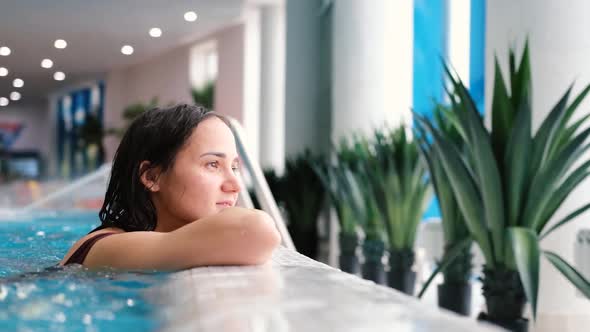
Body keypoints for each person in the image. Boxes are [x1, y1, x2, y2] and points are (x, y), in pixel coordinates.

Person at [60, 104, 281, 270]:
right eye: (213, 164)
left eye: (234, 167)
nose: (235, 185)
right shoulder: (107, 247)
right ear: (152, 176)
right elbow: (256, 231)